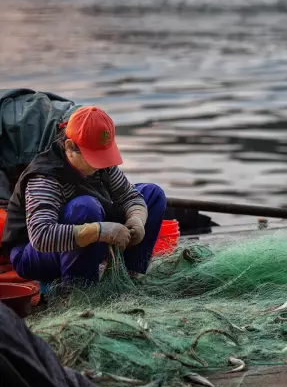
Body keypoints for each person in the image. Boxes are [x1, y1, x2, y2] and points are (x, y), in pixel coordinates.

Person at [1, 105, 167, 285]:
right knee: (86, 207)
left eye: (104, 155)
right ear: (70, 147)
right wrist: (99, 231)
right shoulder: (45, 177)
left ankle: (129, 274)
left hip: (88, 234)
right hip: (34, 253)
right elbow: (41, 236)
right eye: (93, 157)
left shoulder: (103, 165)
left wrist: (137, 219)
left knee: (153, 194)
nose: (100, 164)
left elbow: (129, 196)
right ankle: (79, 288)